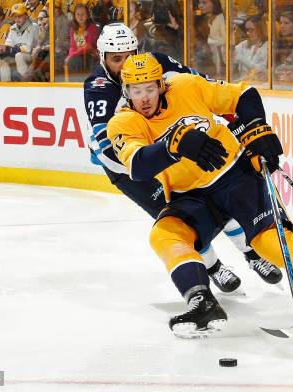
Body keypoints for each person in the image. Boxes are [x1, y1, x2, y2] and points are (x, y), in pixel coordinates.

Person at [107, 53, 293, 337]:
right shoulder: (122, 122)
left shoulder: (187, 86)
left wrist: (257, 129)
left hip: (236, 176)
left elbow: (244, 94)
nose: (144, 98)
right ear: (126, 91)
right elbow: (137, 166)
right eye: (136, 91)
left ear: (162, 85)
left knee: (270, 243)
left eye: (150, 88)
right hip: (192, 197)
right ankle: (203, 302)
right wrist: (174, 146)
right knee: (164, 235)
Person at [83, 23, 282, 294]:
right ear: (102, 58)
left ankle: (252, 254)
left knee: (222, 197)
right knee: (182, 224)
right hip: (128, 166)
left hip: (173, 149)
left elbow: (200, 87)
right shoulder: (98, 87)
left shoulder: (155, 64)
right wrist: (161, 155)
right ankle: (213, 268)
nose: (125, 64)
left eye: (130, 55)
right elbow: (111, 149)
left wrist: (240, 124)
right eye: (117, 59)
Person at [0, 2, 38, 81]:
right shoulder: (13, 28)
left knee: (19, 55)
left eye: (19, 16)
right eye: (15, 17)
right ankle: (6, 85)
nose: (17, 19)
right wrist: (2, 48)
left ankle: (23, 84)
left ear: (26, 15)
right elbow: (9, 43)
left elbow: (28, 48)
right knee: (2, 57)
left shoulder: (33, 26)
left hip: (33, 56)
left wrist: (10, 49)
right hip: (17, 53)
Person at [232, 15, 267, 83]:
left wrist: (240, 57)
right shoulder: (243, 44)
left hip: (260, 85)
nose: (248, 33)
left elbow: (260, 70)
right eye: (247, 30)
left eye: (251, 30)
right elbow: (230, 60)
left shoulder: (267, 46)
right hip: (242, 83)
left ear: (260, 29)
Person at [65, 3, 98, 74]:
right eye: (78, 14)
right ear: (74, 16)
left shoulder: (92, 27)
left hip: (90, 55)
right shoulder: (73, 29)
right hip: (78, 56)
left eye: (83, 14)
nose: (80, 17)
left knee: (76, 60)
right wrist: (70, 56)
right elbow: (73, 46)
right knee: (73, 61)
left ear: (87, 15)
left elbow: (88, 46)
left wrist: (72, 55)